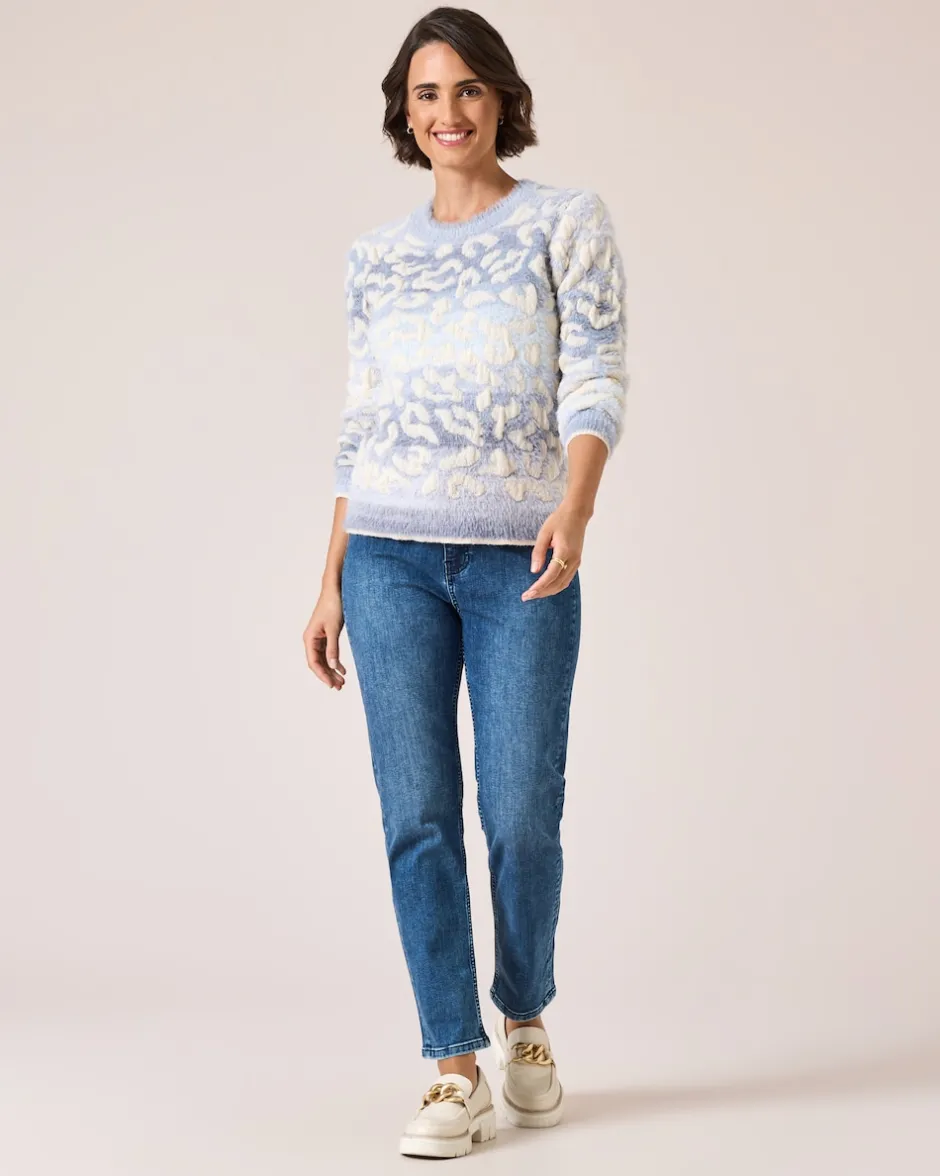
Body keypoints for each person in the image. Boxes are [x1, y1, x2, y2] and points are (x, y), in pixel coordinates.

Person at [302, 5, 628, 1160]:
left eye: (469, 89)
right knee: (417, 817)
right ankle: (452, 1064)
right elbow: (362, 426)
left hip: (520, 560)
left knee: (521, 813)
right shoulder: (375, 257)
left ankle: (524, 1017)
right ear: (406, 110)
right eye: (427, 93)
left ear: (502, 99)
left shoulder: (564, 221)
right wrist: (331, 578)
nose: (449, 112)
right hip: (387, 557)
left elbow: (595, 376)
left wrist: (574, 510)